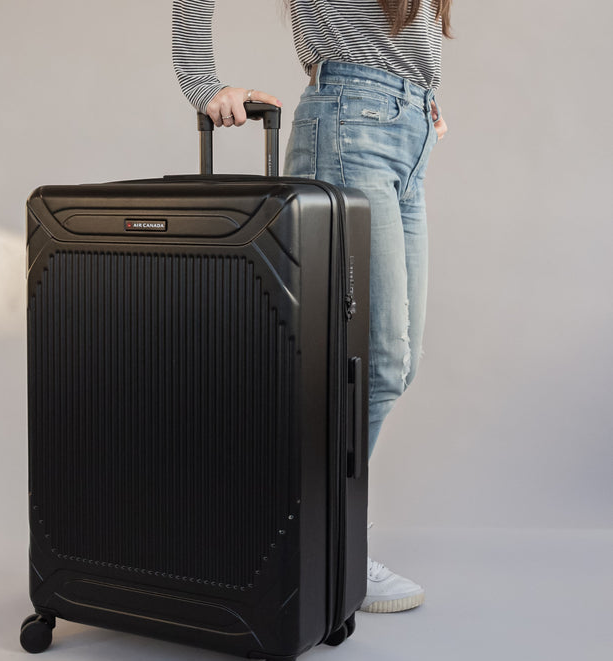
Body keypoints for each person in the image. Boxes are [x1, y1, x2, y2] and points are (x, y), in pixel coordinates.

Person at [172, 0, 451, 613]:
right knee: (374, 364)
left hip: (408, 133)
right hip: (352, 126)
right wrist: (202, 83)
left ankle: (303, 534)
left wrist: (420, 98)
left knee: (395, 365)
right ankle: (327, 541)